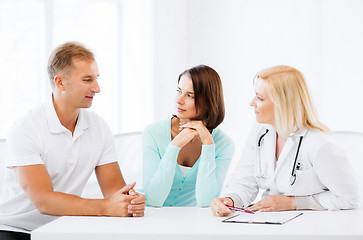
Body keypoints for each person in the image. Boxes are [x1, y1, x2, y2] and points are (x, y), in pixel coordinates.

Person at [0, 42, 145, 240]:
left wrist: (129, 202)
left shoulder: (99, 127)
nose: (97, 88)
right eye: (87, 80)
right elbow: (44, 201)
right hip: (16, 230)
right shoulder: (26, 128)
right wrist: (105, 207)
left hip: (66, 226)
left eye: (96, 79)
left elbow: (115, 193)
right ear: (60, 83)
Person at [211, 65, 360, 216]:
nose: (252, 102)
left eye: (260, 98)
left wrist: (294, 202)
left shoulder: (318, 144)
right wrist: (230, 200)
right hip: (270, 222)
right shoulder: (261, 130)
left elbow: (351, 198)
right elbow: (244, 182)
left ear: (283, 104)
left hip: (311, 225)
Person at [143, 65, 234, 207]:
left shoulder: (224, 144)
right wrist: (174, 146)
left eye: (190, 95)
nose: (179, 100)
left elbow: (206, 202)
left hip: (190, 222)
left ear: (209, 103)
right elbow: (154, 200)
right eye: (179, 91)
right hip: (147, 217)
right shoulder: (153, 132)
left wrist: (208, 145)